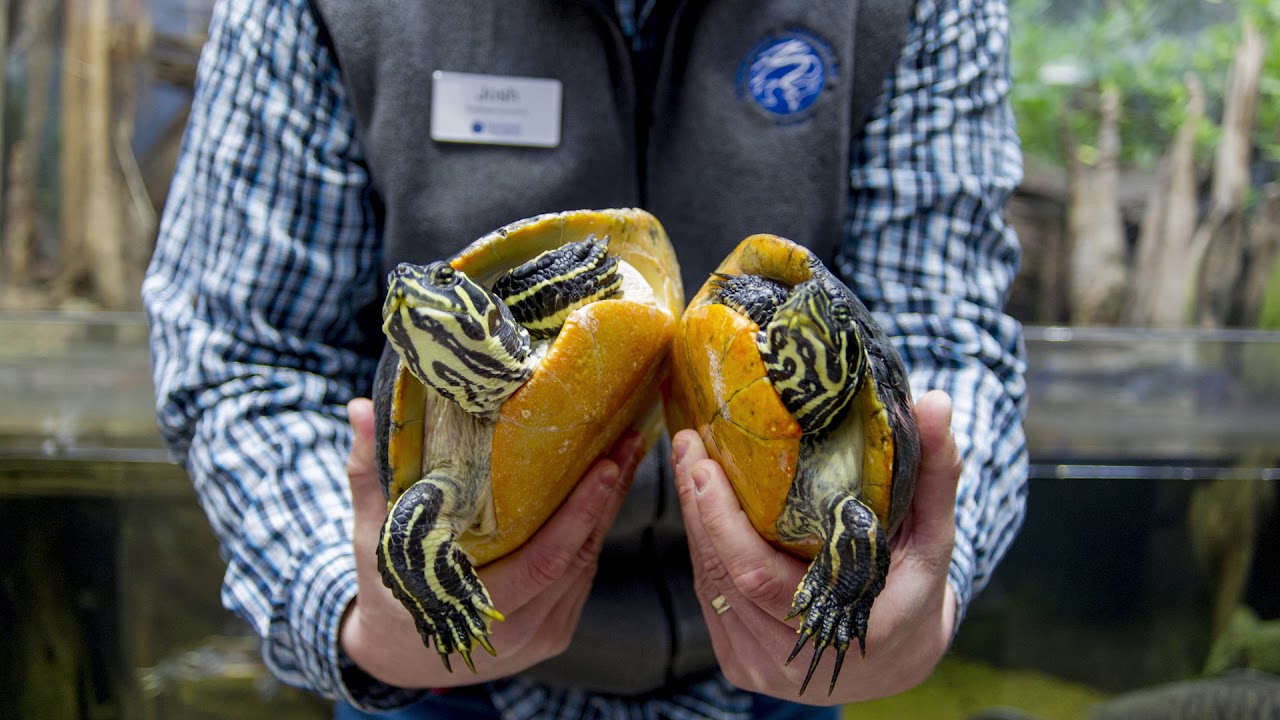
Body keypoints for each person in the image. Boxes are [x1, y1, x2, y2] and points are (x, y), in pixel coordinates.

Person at [143, 0, 1028, 718]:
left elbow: (942, 335)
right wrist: (353, 600)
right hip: (437, 680)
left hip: (794, 653)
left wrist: (917, 596)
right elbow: (243, 351)